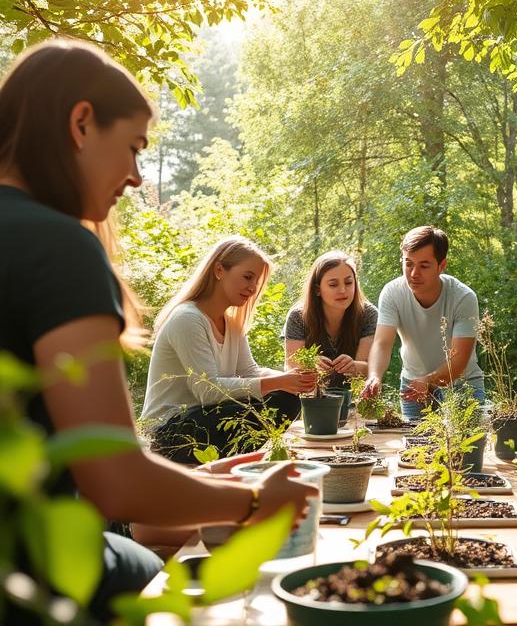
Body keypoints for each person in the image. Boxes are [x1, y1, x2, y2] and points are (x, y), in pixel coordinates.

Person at [0, 40, 315, 622]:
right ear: (81, 122)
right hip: (33, 571)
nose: (138, 177)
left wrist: (194, 481)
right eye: (134, 149)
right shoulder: (57, 247)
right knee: (206, 591)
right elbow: (115, 481)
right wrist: (251, 500)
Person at [141, 236, 314, 464]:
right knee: (256, 402)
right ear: (219, 270)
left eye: (257, 281)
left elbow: (250, 372)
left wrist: (293, 380)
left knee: (287, 400)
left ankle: (228, 460)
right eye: (247, 277)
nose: (253, 288)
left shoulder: (231, 323)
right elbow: (208, 390)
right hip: (172, 429)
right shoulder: (187, 319)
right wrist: (280, 381)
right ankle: (224, 462)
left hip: (208, 416)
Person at [361, 226, 485, 419]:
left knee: (466, 448)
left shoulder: (463, 297)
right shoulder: (392, 293)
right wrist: (374, 376)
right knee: (414, 447)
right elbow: (382, 343)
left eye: (424, 266)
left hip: (463, 385)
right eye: (408, 264)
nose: (413, 274)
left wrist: (428, 381)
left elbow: (459, 361)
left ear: (441, 265)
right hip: (413, 385)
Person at [282, 250, 378, 388]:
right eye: (333, 285)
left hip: (353, 399)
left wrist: (354, 366)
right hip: (309, 399)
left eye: (349, 282)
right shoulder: (298, 316)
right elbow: (290, 367)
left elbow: (371, 370)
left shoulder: (369, 315)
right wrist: (310, 365)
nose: (343, 290)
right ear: (317, 289)